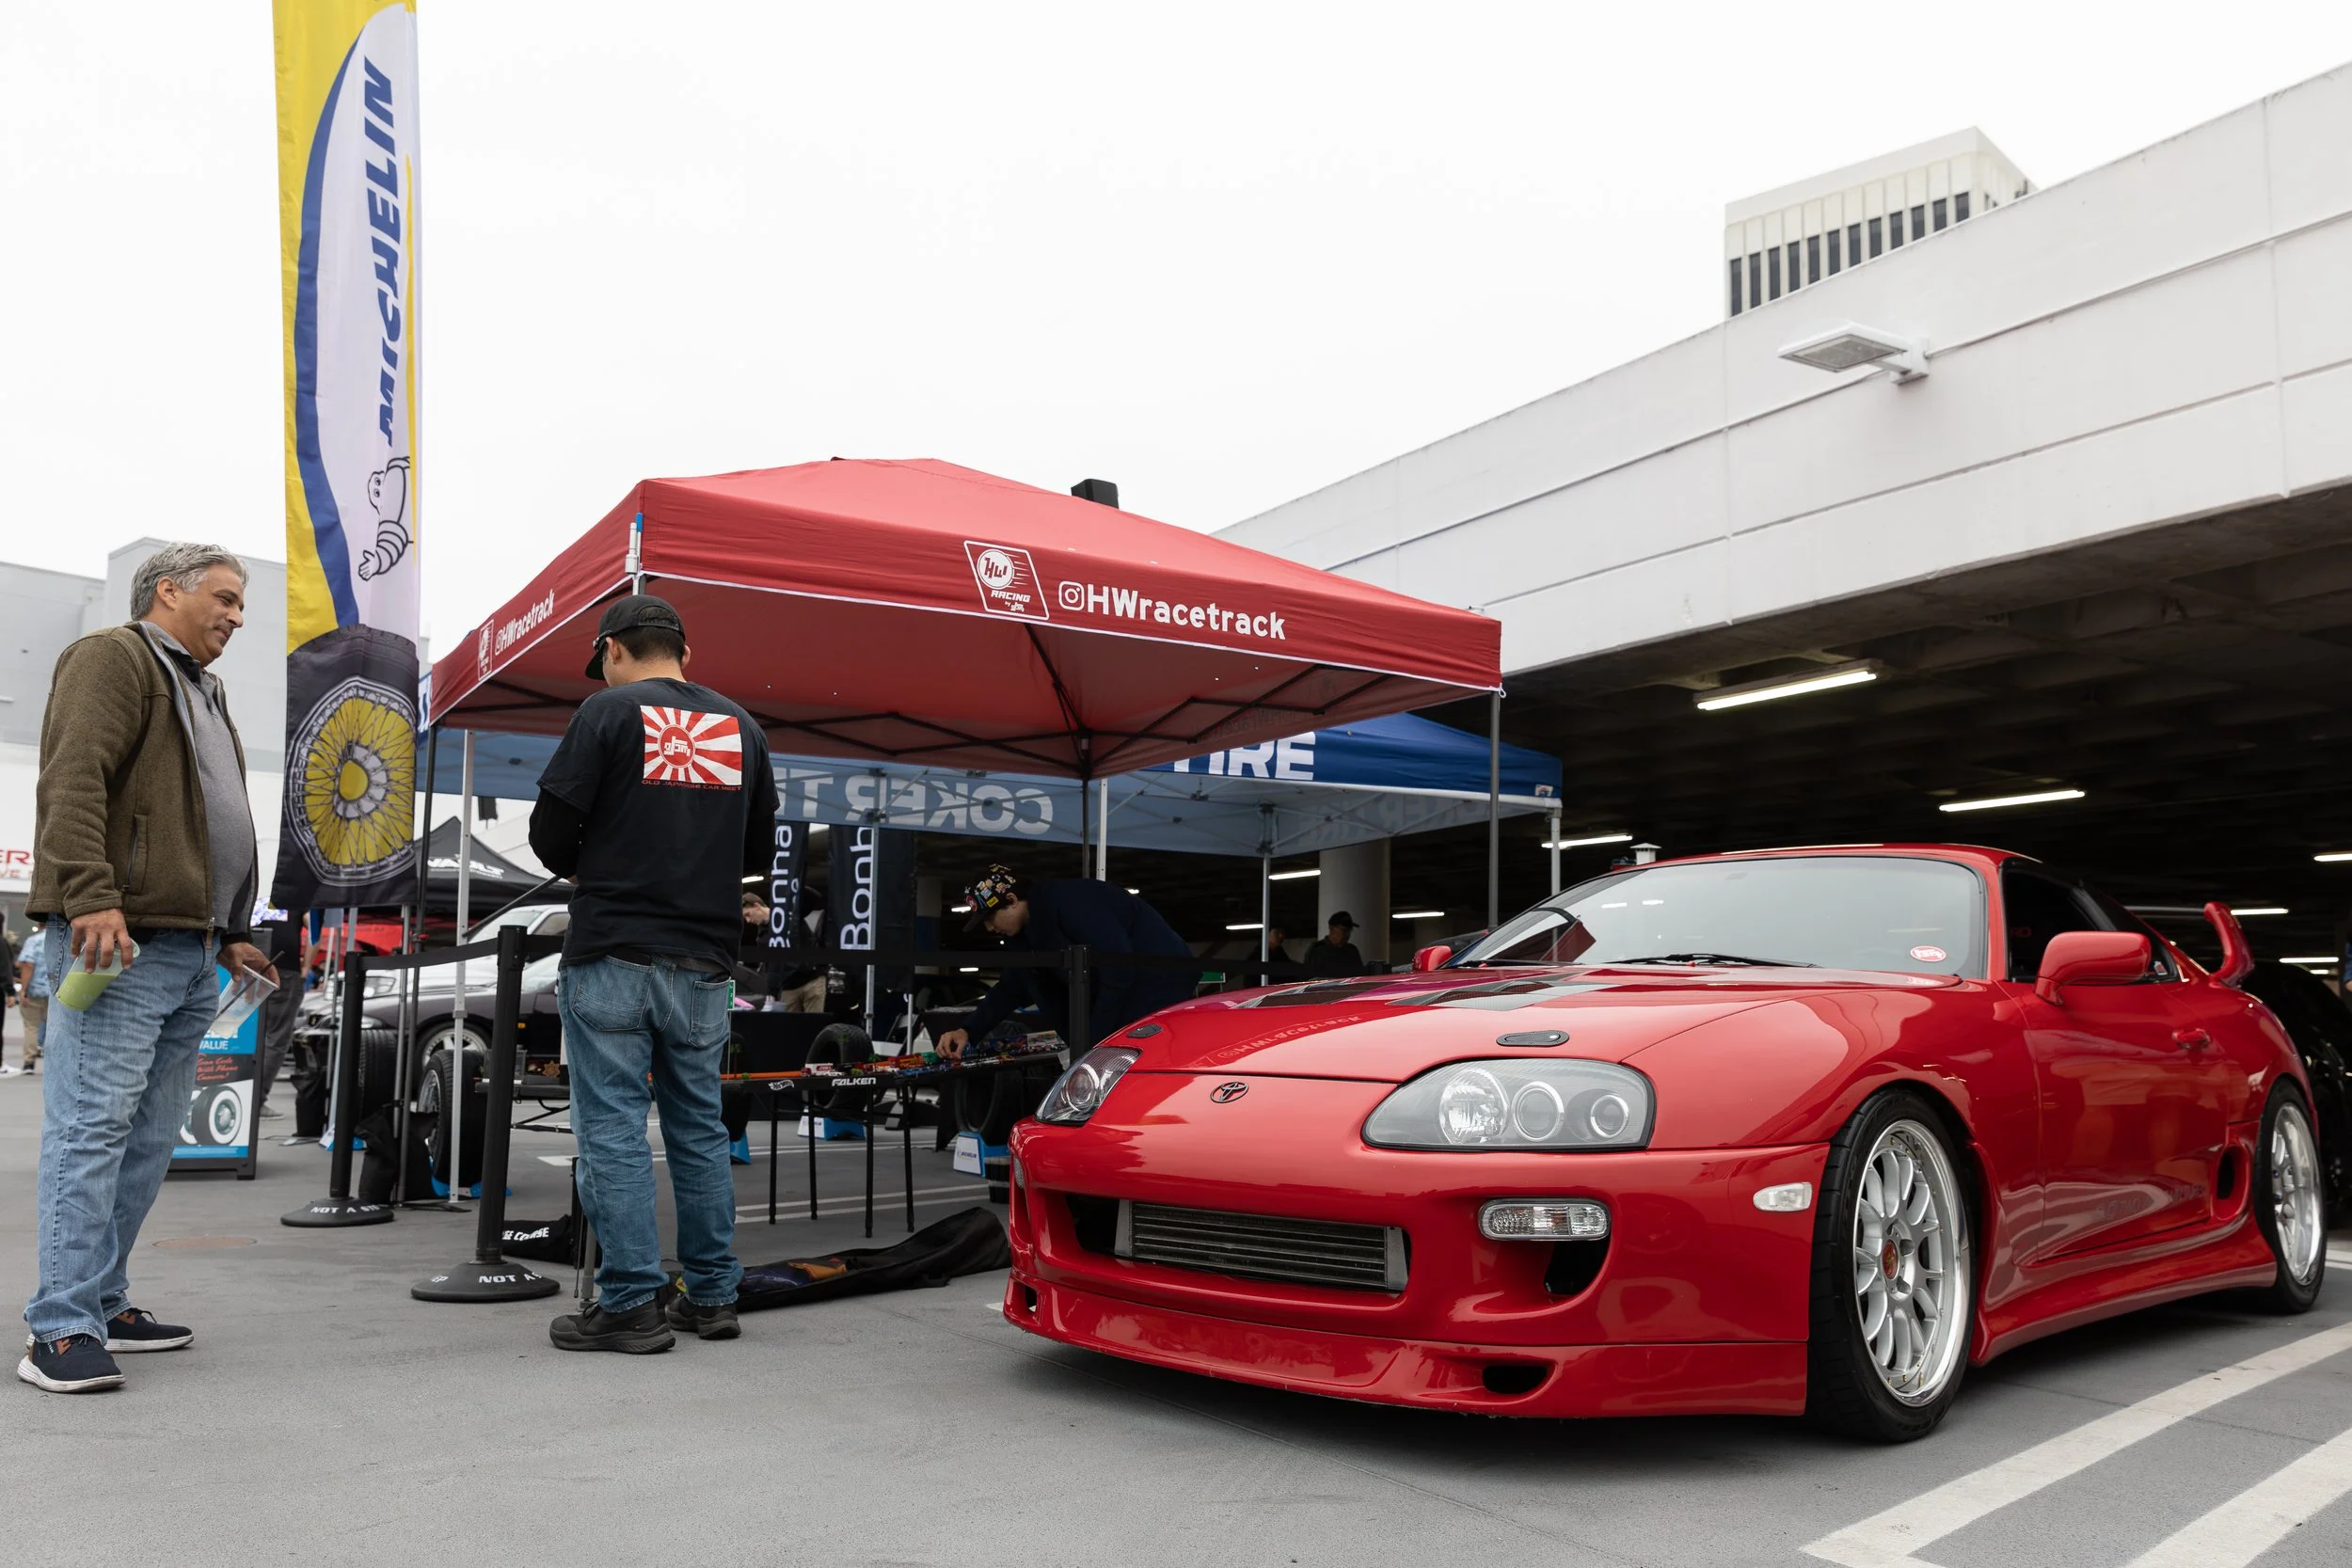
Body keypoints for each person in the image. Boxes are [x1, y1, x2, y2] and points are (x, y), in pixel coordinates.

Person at [21, 543, 278, 1394]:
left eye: (242, 605)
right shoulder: (114, 656)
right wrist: (90, 893)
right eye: (227, 599)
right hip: (116, 938)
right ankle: (59, 1326)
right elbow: (73, 778)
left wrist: (231, 926)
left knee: (149, 1137)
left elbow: (202, 822)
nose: (238, 617)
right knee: (92, 1129)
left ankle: (103, 1297)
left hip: (189, 946)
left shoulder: (202, 687)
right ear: (167, 590)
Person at [528, 594, 777, 1354]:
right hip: (705, 958)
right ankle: (710, 1296)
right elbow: (758, 847)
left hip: (614, 949)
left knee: (611, 1128)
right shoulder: (744, 727)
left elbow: (548, 831)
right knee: (699, 1129)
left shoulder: (607, 714)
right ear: (686, 654)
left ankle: (631, 1299)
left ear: (612, 652)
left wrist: (599, 869)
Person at [936, 865, 1195, 1059]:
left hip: (1158, 985)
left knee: (1138, 1068)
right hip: (1118, 997)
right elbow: (1012, 986)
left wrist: (1092, 1043)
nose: (990, 928)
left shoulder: (1073, 903)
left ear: (1012, 902)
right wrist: (969, 1030)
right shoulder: (1025, 935)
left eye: (990, 918)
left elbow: (1119, 970)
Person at [249, 914, 308, 1119]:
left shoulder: (258, 885)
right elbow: (314, 931)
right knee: (276, 1038)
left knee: (247, 1035)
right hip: (285, 967)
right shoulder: (297, 890)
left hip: (251, 964)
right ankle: (256, 1101)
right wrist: (306, 969)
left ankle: (243, 1093)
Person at [10, 921, 50, 1075]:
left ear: (39, 926)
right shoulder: (62, 940)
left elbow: (28, 965)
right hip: (56, 993)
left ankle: (29, 1062)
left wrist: (24, 990)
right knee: (56, 1027)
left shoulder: (33, 941)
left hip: (35, 991)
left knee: (31, 1027)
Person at [1301, 911, 1365, 978]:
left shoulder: (1352, 950)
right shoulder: (1317, 950)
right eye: (1344, 930)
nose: (1347, 934)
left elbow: (1360, 976)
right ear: (1331, 928)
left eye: (1349, 931)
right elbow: (1308, 977)